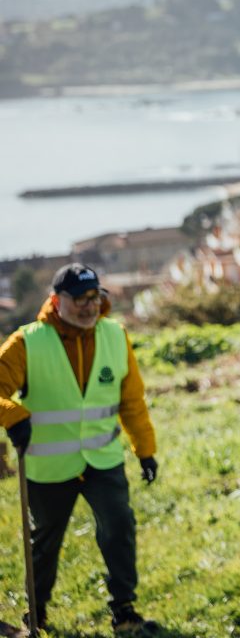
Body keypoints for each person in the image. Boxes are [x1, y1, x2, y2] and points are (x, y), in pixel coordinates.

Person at [0, 263, 160, 635]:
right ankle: (35, 615)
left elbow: (132, 401)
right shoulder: (27, 341)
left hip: (103, 460)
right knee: (45, 543)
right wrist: (12, 415)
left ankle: (124, 609)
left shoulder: (115, 336)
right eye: (80, 299)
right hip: (48, 466)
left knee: (119, 527)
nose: (89, 306)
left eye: (95, 297)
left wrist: (145, 450)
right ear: (57, 301)